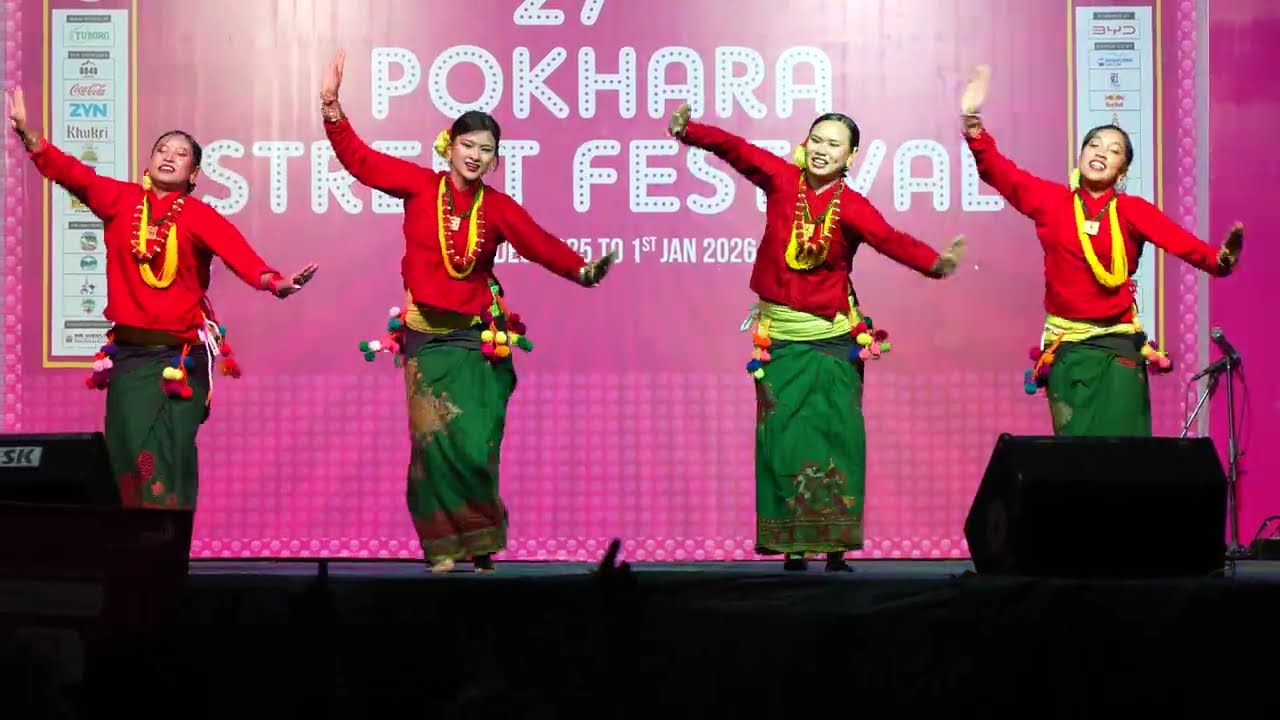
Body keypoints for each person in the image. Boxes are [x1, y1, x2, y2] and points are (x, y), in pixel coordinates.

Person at [318, 50, 616, 573]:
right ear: (449, 146)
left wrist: (583, 270)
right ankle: (442, 547)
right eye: (469, 145)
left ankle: (480, 542)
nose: (477, 156)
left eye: (488, 150)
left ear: (497, 159)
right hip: (425, 340)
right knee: (433, 443)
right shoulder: (418, 186)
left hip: (475, 342)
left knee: (476, 444)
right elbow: (361, 161)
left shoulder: (496, 207)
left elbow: (539, 241)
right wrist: (331, 106)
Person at [667, 104, 966, 572]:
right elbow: (737, 150)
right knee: (783, 438)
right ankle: (792, 546)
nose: (823, 150)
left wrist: (935, 263)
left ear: (851, 157)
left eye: (834, 145)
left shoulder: (852, 206)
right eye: (817, 140)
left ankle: (834, 548)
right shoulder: (783, 180)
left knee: (836, 436)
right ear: (804, 146)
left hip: (832, 338)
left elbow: (891, 239)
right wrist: (690, 132)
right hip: (782, 338)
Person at [6, 88, 318, 510]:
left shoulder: (200, 215)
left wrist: (274, 282)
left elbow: (240, 256)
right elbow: (72, 173)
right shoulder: (119, 200)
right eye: (161, 149)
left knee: (171, 458)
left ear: (194, 175)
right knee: (128, 457)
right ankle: (135, 557)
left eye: (181, 153)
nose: (169, 155)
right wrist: (29, 134)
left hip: (181, 360)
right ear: (149, 163)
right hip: (131, 358)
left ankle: (168, 551)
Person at [959, 65, 1244, 436]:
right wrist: (973, 125)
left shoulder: (1132, 210)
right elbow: (1000, 172)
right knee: (1075, 462)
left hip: (1119, 346)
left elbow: (1182, 243)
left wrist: (1219, 261)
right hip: (1068, 348)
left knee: (1128, 457)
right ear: (1080, 157)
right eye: (1093, 145)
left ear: (1122, 171)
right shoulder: (1051, 201)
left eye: (1113, 150)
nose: (1100, 152)